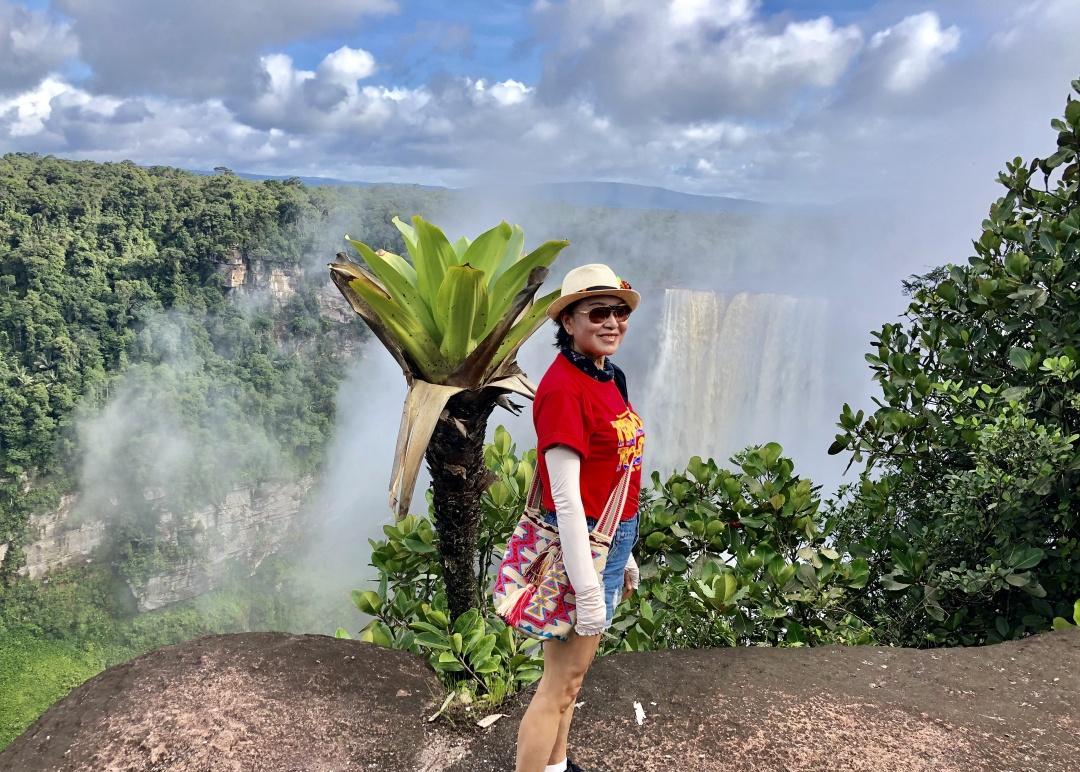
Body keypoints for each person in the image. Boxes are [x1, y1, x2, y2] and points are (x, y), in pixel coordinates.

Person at [515, 263, 646, 772]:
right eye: (598, 312)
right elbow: (565, 500)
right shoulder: (563, 390)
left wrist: (626, 548)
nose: (612, 321)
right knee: (558, 686)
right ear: (568, 321)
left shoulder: (610, 376)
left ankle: (557, 766)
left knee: (570, 681)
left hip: (609, 539)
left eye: (619, 311)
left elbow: (615, 471)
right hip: (582, 547)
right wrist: (588, 587)